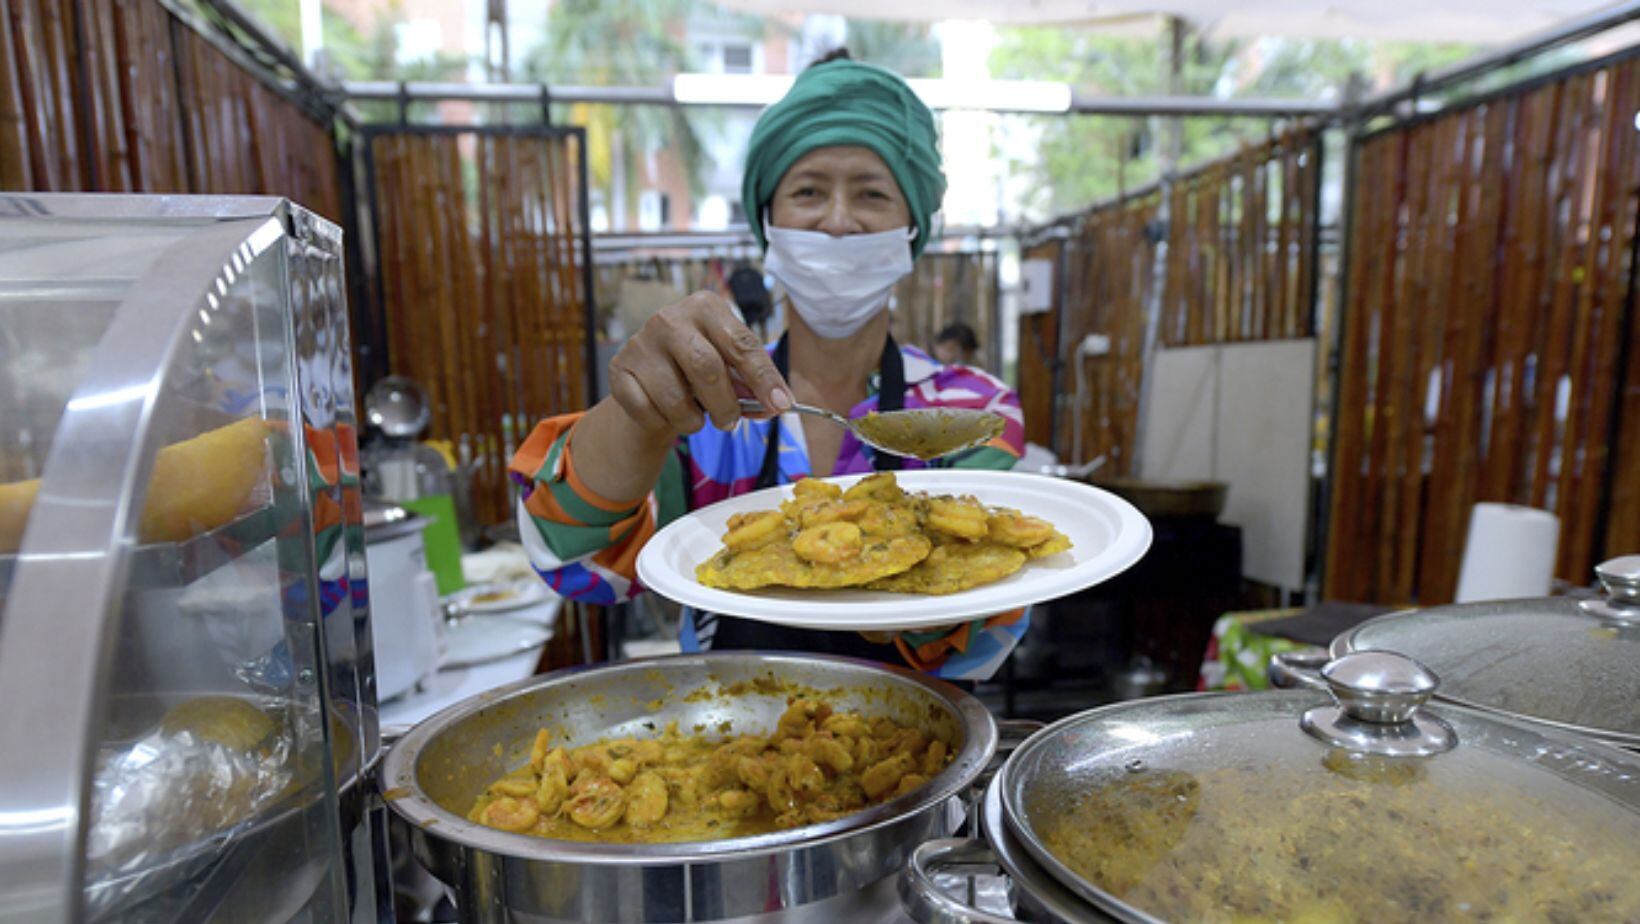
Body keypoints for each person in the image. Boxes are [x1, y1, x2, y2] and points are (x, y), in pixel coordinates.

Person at [509, 53, 1028, 681]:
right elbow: (575, 559)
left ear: (912, 227)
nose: (838, 221)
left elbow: (992, 614)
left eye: (871, 193)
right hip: (726, 727)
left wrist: (894, 582)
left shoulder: (971, 409)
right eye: (808, 191)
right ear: (768, 222)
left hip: (926, 733)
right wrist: (637, 412)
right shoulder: (703, 406)